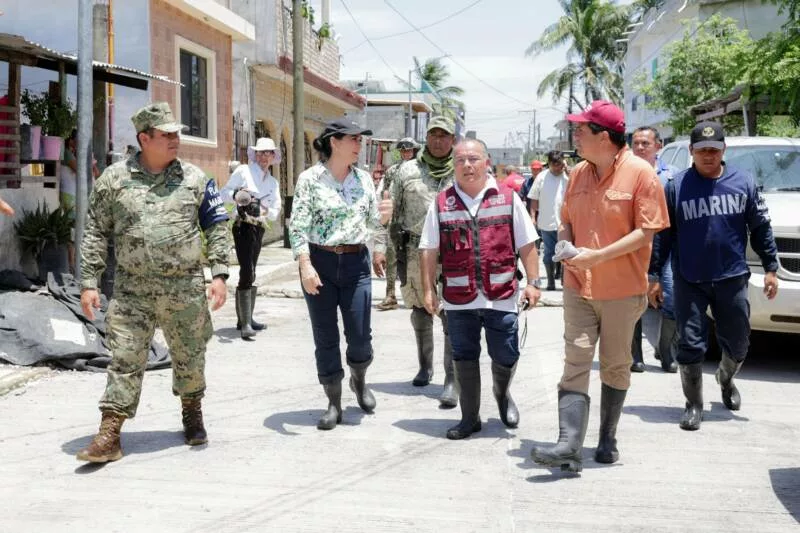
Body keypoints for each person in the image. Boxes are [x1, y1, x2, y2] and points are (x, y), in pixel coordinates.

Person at [76, 102, 231, 463]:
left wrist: (220, 274)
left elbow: (217, 226)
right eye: (166, 134)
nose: (175, 139)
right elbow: (95, 231)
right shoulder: (114, 180)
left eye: (177, 134)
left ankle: (192, 412)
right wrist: (89, 282)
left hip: (184, 288)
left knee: (190, 356)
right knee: (125, 358)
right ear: (144, 139)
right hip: (132, 289)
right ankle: (110, 433)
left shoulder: (196, 179)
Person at [529, 100, 668, 472]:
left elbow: (646, 232)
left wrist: (599, 256)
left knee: (615, 364)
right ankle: (569, 444)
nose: (575, 136)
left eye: (581, 130)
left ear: (603, 137)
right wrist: (564, 245)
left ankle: (607, 437)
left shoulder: (641, 174)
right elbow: (566, 220)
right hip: (579, 284)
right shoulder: (577, 173)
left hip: (622, 289)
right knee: (575, 359)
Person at [648, 121, 779, 432]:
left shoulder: (743, 183)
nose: (708, 155)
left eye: (714, 150)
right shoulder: (676, 187)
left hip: (731, 277)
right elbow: (662, 236)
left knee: (739, 342)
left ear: (724, 150)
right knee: (691, 344)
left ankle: (726, 378)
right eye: (702, 150)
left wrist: (771, 268)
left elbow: (761, 228)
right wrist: (654, 275)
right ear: (691, 151)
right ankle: (693, 404)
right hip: (689, 278)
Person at [419, 138, 541, 440]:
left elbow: (527, 243)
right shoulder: (441, 202)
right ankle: (470, 417)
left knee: (506, 353)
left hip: (501, 294)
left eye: (473, 159)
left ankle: (503, 396)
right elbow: (429, 249)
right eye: (460, 160)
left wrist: (534, 282)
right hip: (459, 298)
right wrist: (428, 290)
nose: (467, 165)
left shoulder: (508, 198)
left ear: (487, 162)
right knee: (463, 356)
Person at [288, 117, 393, 431]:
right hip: (319, 262)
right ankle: (333, 402)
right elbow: (298, 226)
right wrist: (305, 265)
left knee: (360, 337)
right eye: (354, 139)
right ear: (334, 141)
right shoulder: (310, 179)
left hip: (355, 264)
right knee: (325, 336)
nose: (359, 144)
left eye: (360, 139)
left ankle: (359, 380)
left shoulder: (364, 180)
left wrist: (383, 225)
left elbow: (372, 223)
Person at [373, 116, 458, 408]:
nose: (438, 140)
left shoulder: (462, 170)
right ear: (426, 138)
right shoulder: (406, 171)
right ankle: (425, 367)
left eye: (444, 135)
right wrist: (380, 246)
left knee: (452, 315)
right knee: (420, 312)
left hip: (453, 253)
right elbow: (387, 210)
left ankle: (452, 379)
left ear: (453, 140)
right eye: (433, 134)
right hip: (413, 252)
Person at [221, 137, 281, 340]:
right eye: (261, 153)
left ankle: (245, 318)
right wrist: (239, 195)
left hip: (259, 227)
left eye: (268, 153)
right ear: (255, 154)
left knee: (252, 271)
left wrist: (264, 210)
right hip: (242, 225)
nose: (264, 157)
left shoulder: (273, 182)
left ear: (273, 156)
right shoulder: (243, 171)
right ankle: (245, 323)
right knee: (247, 270)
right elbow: (224, 193)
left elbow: (276, 209)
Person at [630, 126, 679, 373]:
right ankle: (635, 355)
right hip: (634, 247)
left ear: (658, 146)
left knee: (671, 298)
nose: (640, 147)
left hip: (666, 247)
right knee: (634, 301)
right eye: (636, 143)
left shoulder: (672, 176)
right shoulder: (623, 174)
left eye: (645, 143)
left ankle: (665, 350)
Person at [376, 137, 420, 311]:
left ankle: (416, 295)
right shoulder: (392, 171)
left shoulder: (421, 170)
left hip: (415, 221)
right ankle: (390, 295)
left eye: (409, 150)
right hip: (396, 220)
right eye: (403, 150)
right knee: (391, 255)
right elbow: (385, 192)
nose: (406, 153)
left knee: (414, 259)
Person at [528, 151, 569, 291]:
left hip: (566, 222)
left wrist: (568, 172)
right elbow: (534, 198)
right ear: (549, 164)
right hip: (547, 222)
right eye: (554, 165)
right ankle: (551, 282)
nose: (558, 168)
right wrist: (532, 217)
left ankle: (565, 281)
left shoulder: (568, 176)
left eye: (560, 165)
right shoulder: (541, 177)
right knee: (549, 253)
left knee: (566, 252)